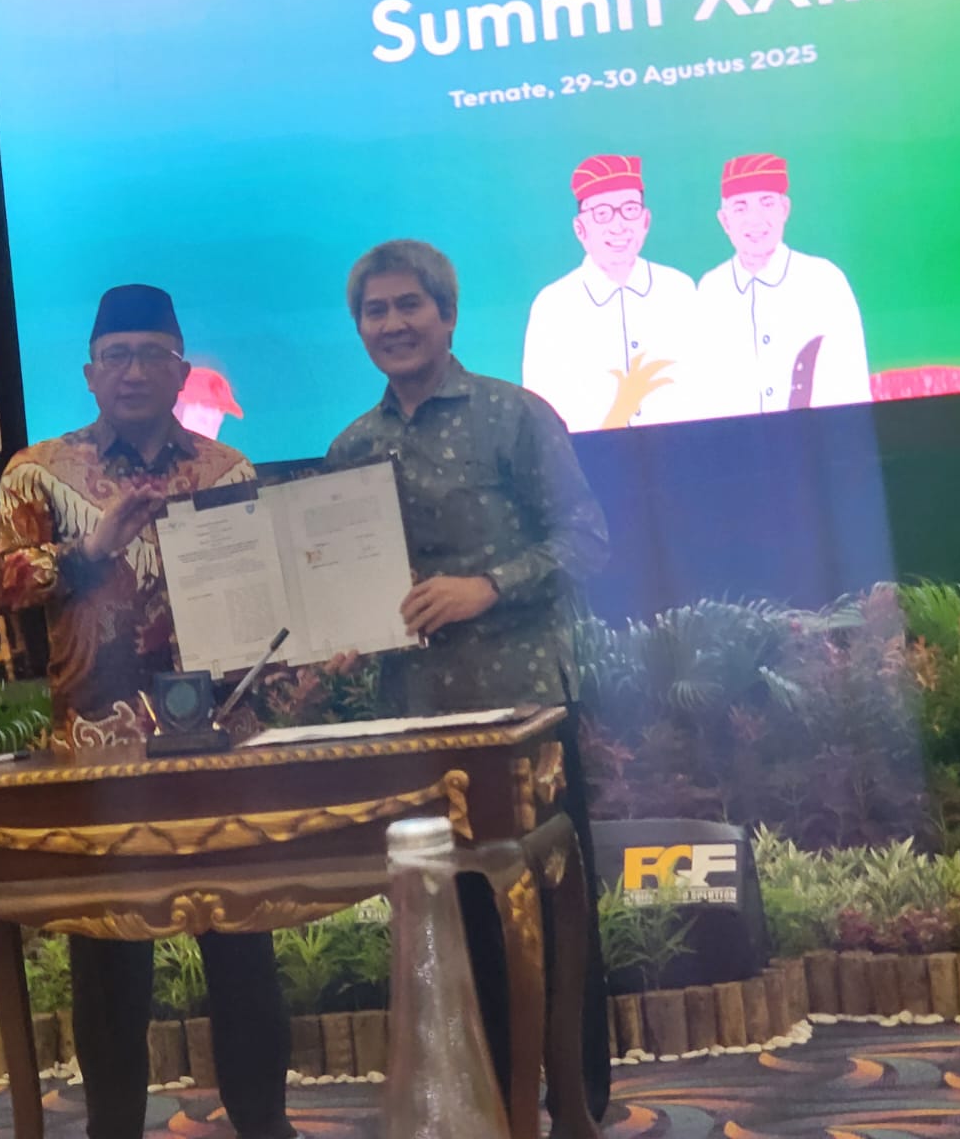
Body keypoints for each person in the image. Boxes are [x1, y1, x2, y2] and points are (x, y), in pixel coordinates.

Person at [0, 284, 294, 1139]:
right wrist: (85, 550)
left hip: (220, 743)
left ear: (181, 372)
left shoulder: (228, 473)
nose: (132, 372)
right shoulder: (40, 472)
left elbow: (266, 593)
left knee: (243, 946)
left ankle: (265, 1124)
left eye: (151, 355)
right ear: (89, 374)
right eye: (115, 357)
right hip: (99, 752)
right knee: (110, 963)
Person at [326, 239, 613, 1121]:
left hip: (522, 717)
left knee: (553, 920)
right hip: (415, 721)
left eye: (409, 305)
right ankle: (485, 1109)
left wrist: (486, 586)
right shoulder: (351, 447)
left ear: (447, 316)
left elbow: (587, 542)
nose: (393, 324)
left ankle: (577, 1107)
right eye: (375, 311)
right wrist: (338, 631)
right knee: (448, 921)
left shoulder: (514, 415)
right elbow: (347, 582)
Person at [521, 154, 696, 431]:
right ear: (580, 229)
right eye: (602, 214)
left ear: (646, 221)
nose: (618, 226)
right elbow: (541, 419)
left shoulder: (678, 289)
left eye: (630, 210)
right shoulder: (553, 305)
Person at [694, 153, 872, 417]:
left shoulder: (824, 281)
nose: (755, 219)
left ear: (785, 209)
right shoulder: (711, 289)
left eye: (767, 203)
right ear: (725, 220)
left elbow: (851, 390)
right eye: (740, 207)